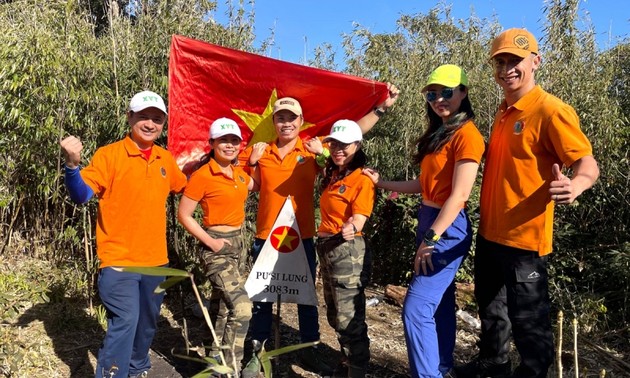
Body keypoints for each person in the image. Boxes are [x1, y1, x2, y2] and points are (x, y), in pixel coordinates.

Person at [455, 28, 600, 378]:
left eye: (515, 61)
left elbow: (587, 163)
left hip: (525, 241)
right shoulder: (505, 111)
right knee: (492, 310)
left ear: (535, 61)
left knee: (529, 322)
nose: (507, 69)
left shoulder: (551, 110)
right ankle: (494, 364)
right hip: (492, 234)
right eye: (500, 62)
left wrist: (576, 185)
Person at [241, 85, 399, 375]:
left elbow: (351, 135)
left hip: (302, 236)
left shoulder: (313, 151)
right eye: (280, 118)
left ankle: (309, 349)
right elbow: (225, 167)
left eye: (292, 118)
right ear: (273, 122)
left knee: (306, 298)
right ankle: (255, 352)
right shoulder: (259, 151)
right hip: (266, 235)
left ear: (301, 122)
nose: (286, 123)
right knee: (261, 298)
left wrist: (381, 108)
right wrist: (250, 165)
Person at [363, 65, 484, 378]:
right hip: (430, 219)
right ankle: (441, 368)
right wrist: (383, 183)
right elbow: (425, 184)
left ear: (463, 92)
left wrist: (431, 239)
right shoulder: (441, 133)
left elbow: (458, 197)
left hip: (446, 226)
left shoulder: (468, 136)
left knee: (416, 309)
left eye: (446, 92)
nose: (438, 99)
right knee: (440, 303)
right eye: (432, 94)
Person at [60, 90, 187, 378]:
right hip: (118, 260)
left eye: (157, 119)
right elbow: (81, 195)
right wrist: (72, 166)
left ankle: (137, 367)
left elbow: (187, 187)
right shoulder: (110, 155)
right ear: (129, 117)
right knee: (126, 319)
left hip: (155, 260)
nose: (150, 124)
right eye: (144, 117)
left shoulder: (165, 159)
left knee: (147, 322)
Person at [177, 118, 265, 372]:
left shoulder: (238, 174)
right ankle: (231, 366)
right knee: (242, 307)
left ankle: (212, 353)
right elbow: (184, 215)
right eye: (223, 140)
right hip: (215, 246)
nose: (229, 145)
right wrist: (211, 242)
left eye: (234, 140)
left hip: (239, 243)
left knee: (223, 306)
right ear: (212, 143)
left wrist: (254, 163)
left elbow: (256, 185)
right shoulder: (203, 175)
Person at [314, 120, 376, 378]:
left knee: (349, 318)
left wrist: (353, 225)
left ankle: (357, 370)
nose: (338, 149)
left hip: (347, 250)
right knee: (334, 313)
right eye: (334, 144)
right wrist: (322, 152)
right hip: (328, 249)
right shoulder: (334, 173)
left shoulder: (362, 178)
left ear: (358, 145)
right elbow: (324, 154)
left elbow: (360, 217)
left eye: (345, 144)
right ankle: (346, 361)